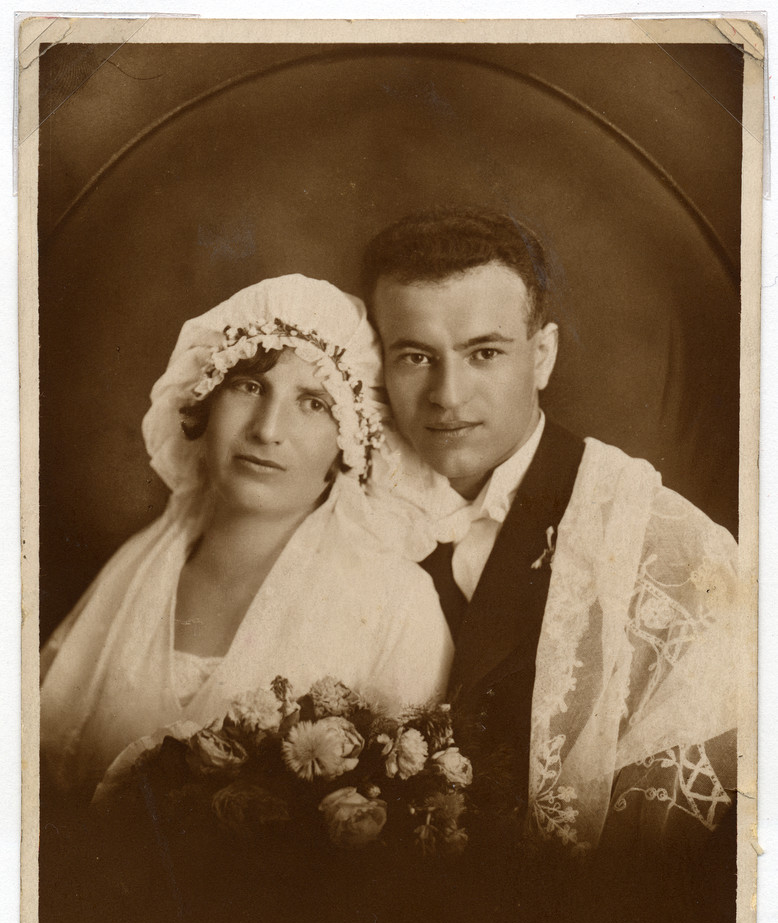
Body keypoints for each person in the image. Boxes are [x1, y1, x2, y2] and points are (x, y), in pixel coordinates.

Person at [362, 207, 738, 855]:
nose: (448, 395)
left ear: (542, 356)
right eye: (416, 357)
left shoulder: (664, 542)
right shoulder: (342, 511)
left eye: (485, 353)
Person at [40, 274, 453, 801]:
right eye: (250, 387)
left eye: (314, 403)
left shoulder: (398, 602)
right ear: (207, 402)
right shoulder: (140, 563)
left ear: (351, 440)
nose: (267, 429)